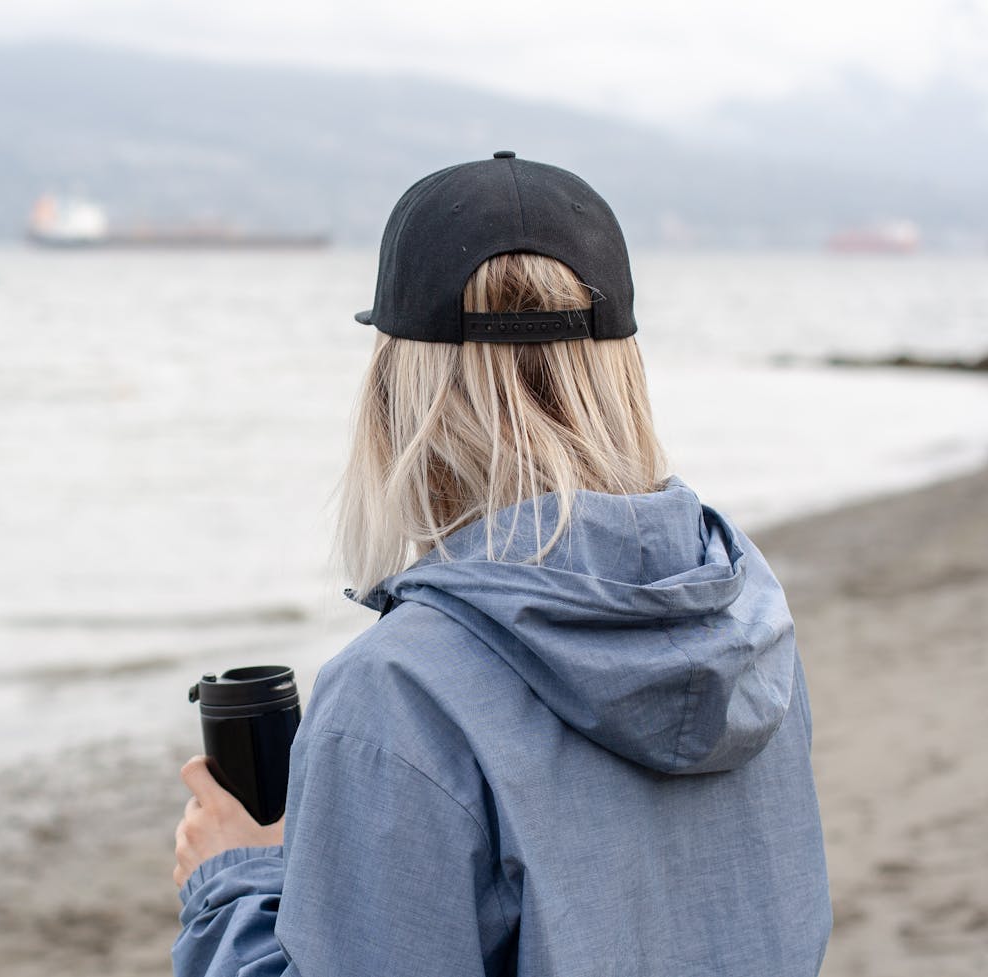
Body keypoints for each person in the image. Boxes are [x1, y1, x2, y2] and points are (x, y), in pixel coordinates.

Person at [170, 152, 832, 976]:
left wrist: (231, 883)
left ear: (400, 393)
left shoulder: (400, 695)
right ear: (619, 374)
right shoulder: (750, 627)